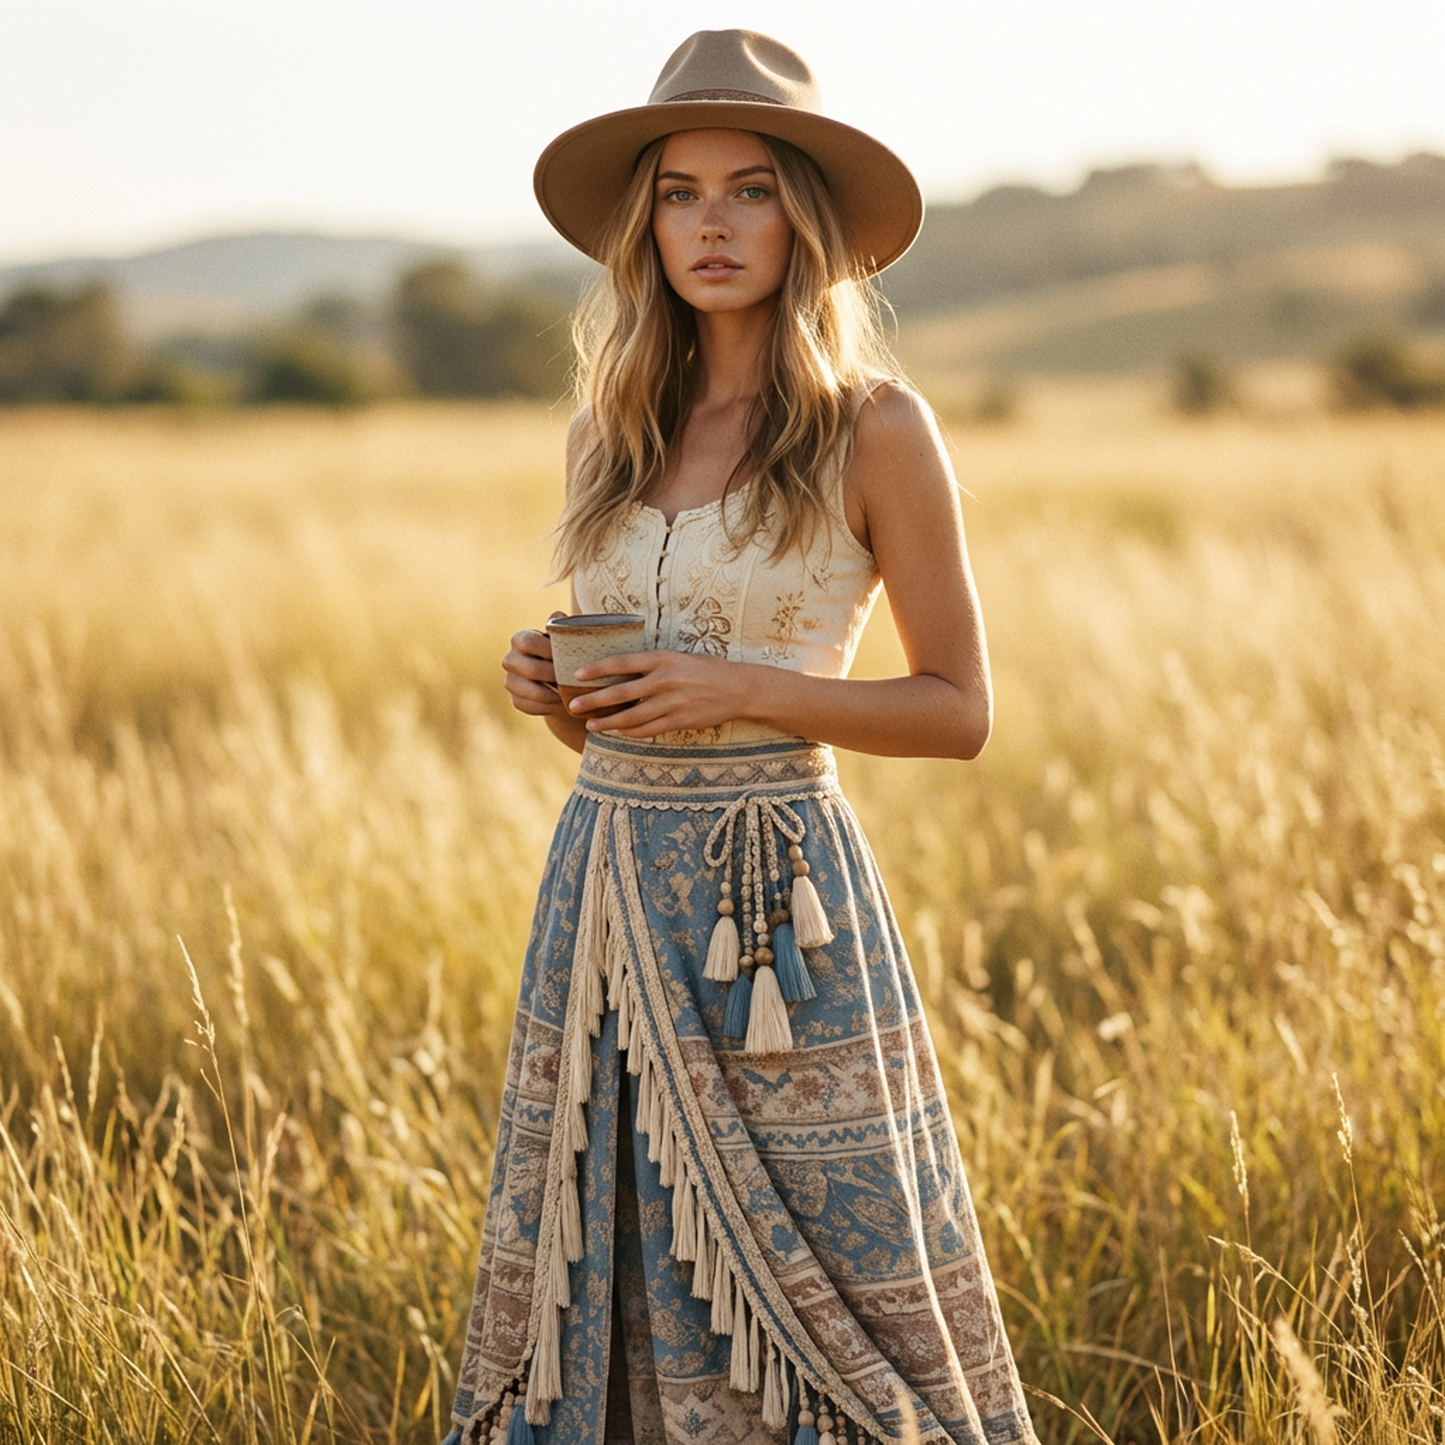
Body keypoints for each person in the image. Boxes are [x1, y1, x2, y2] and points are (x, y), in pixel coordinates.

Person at [446, 30, 1039, 1445]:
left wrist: (741, 688)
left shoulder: (874, 427)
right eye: (680, 194)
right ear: (646, 226)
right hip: (603, 889)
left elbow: (958, 709)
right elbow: (634, 721)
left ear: (805, 219)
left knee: (828, 1281)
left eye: (750, 190)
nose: (711, 225)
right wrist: (565, 696)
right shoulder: (610, 431)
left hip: (777, 916)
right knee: (610, 1238)